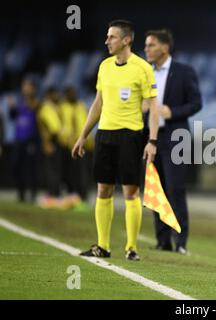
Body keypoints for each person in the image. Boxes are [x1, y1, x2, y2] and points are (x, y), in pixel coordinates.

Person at [72, 20, 159, 261]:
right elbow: (98, 104)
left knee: (131, 192)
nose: (106, 41)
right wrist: (83, 135)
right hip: (105, 135)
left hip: (130, 136)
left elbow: (153, 108)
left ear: (126, 40)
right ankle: (103, 245)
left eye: (111, 37)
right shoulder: (104, 66)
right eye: (107, 36)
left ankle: (131, 247)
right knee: (103, 190)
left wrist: (152, 140)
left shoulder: (142, 68)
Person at [143, 29, 202, 255]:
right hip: (151, 138)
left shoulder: (184, 72)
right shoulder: (145, 72)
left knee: (176, 189)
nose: (146, 49)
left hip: (176, 137)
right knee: (155, 189)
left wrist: (172, 112)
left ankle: (181, 241)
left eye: (151, 45)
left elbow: (196, 103)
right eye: (146, 45)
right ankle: (162, 240)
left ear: (165, 48)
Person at [8, 77, 40, 203]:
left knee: (31, 168)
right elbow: (14, 116)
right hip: (19, 140)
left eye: (28, 87)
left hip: (30, 140)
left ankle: (32, 194)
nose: (25, 89)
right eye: (24, 87)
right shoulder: (21, 102)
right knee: (16, 166)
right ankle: (21, 193)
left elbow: (37, 117)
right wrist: (11, 107)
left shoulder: (36, 103)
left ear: (33, 89)